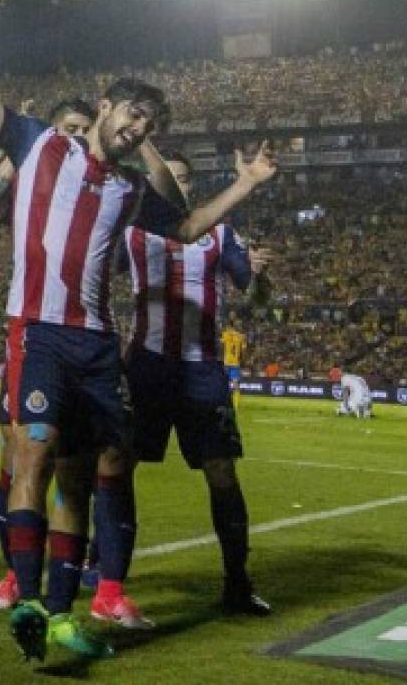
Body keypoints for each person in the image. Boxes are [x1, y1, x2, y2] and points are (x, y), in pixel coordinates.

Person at [0, 0, 277, 661]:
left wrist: (243, 186)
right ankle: (30, 597)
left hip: (97, 344)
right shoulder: (40, 143)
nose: (136, 129)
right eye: (130, 116)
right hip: (36, 330)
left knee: (80, 472)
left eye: (148, 126)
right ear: (104, 106)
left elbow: (187, 227)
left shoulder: (127, 190)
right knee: (31, 454)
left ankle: (64, 611)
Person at [96, 151, 274, 625]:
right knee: (117, 463)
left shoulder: (220, 232)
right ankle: (106, 574)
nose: (168, 186)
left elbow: (255, 296)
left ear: (188, 187)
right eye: (162, 179)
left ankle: (237, 582)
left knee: (221, 472)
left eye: (177, 180)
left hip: (202, 371)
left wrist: (261, 275)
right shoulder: (132, 230)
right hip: (146, 367)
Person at [0, 99, 94, 613]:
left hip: (87, 336)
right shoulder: (36, 175)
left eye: (85, 132)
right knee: (19, 456)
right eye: (67, 130)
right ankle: (16, 576)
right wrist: (18, 147)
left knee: (82, 467)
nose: (76, 139)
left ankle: (93, 580)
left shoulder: (100, 185)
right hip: (31, 333)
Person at [220, 319, 247, 412]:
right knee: (236, 385)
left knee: (224, 384)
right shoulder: (240, 336)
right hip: (235, 363)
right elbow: (244, 349)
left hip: (227, 362)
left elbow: (221, 343)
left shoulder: (225, 334)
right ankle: (236, 405)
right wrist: (241, 358)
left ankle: (224, 404)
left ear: (228, 326)